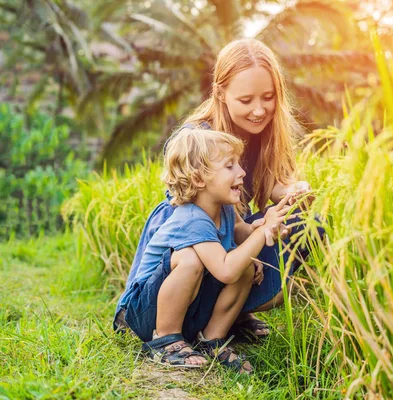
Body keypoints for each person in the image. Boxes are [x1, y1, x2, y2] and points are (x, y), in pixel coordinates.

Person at [115, 38, 319, 341]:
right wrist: (250, 243)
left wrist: (296, 191)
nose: (260, 110)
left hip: (227, 229)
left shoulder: (262, 134)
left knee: (305, 222)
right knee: (206, 257)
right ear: (221, 93)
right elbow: (197, 219)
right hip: (194, 240)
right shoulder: (197, 140)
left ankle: (231, 314)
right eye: (246, 100)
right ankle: (176, 326)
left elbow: (270, 184)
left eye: (268, 97)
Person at [120, 127, 292, 372]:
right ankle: (165, 339)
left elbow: (240, 231)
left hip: (187, 306)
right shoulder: (192, 218)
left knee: (244, 265)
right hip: (144, 312)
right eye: (229, 166)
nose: (242, 172)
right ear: (199, 179)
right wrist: (261, 237)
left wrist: (261, 226)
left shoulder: (223, 207)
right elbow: (224, 271)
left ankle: (211, 340)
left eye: (239, 164)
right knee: (191, 260)